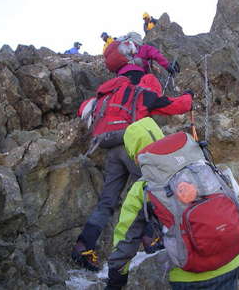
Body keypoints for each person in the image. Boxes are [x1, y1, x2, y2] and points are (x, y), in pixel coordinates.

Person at [105, 117, 239, 290]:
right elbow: (228, 204)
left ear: (134, 153)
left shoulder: (143, 188)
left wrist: (116, 279)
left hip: (190, 275)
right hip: (231, 261)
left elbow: (126, 238)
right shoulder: (199, 166)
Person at [71, 73, 194, 272]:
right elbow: (177, 105)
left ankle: (83, 246)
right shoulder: (143, 93)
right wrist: (189, 97)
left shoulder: (110, 94)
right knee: (148, 189)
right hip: (131, 145)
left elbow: (86, 107)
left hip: (109, 146)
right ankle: (149, 238)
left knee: (107, 201)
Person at [104, 32, 179, 85]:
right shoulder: (143, 48)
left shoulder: (123, 50)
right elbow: (156, 55)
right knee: (140, 99)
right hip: (137, 74)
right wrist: (168, 66)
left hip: (120, 77)